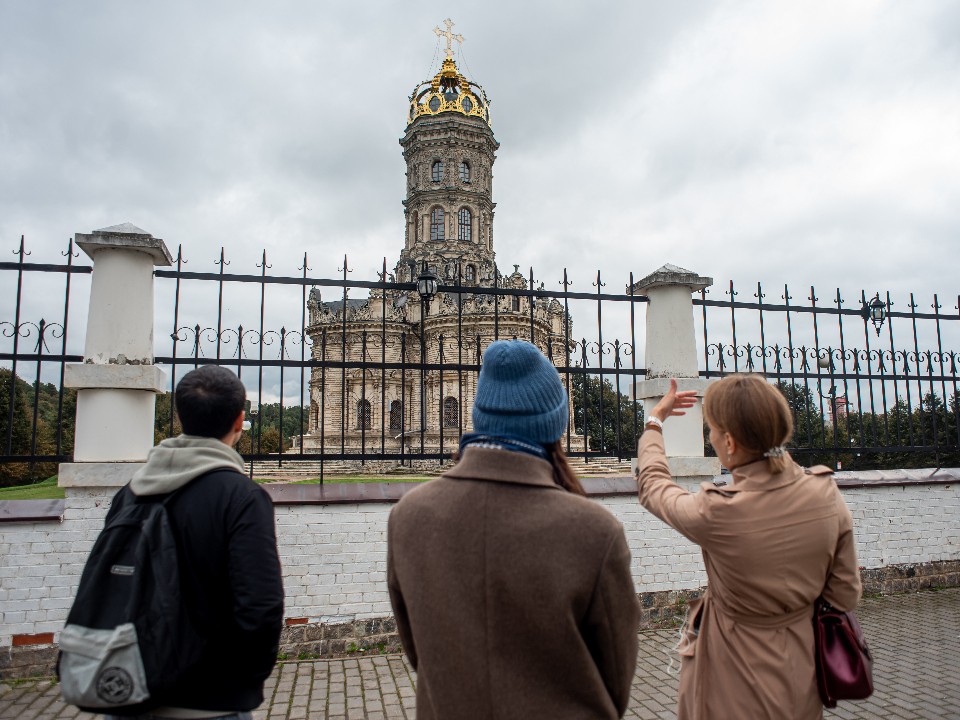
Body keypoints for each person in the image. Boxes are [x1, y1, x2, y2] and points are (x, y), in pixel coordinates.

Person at [387, 340, 641, 720]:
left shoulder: (408, 518)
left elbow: (418, 651)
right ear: (553, 422)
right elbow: (616, 678)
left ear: (479, 415)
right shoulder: (595, 532)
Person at [635, 375, 862, 719]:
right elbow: (845, 594)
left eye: (710, 429)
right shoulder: (825, 493)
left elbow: (654, 487)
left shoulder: (720, 509)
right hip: (800, 675)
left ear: (729, 441)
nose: (709, 438)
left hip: (731, 678)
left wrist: (654, 423)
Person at [103, 365, 284, 720]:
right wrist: (240, 683)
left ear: (181, 416)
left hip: (130, 689)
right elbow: (261, 607)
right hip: (209, 699)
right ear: (239, 421)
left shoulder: (131, 493)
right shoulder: (240, 497)